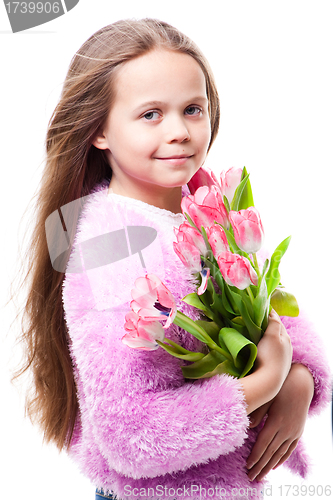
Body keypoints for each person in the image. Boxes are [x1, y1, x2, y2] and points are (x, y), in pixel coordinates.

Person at [18, 19, 331, 500]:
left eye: (192, 109)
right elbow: (130, 434)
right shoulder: (109, 249)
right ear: (99, 130)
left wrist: (300, 380)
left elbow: (268, 304)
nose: (180, 132)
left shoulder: (205, 201)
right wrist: (267, 381)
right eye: (150, 115)